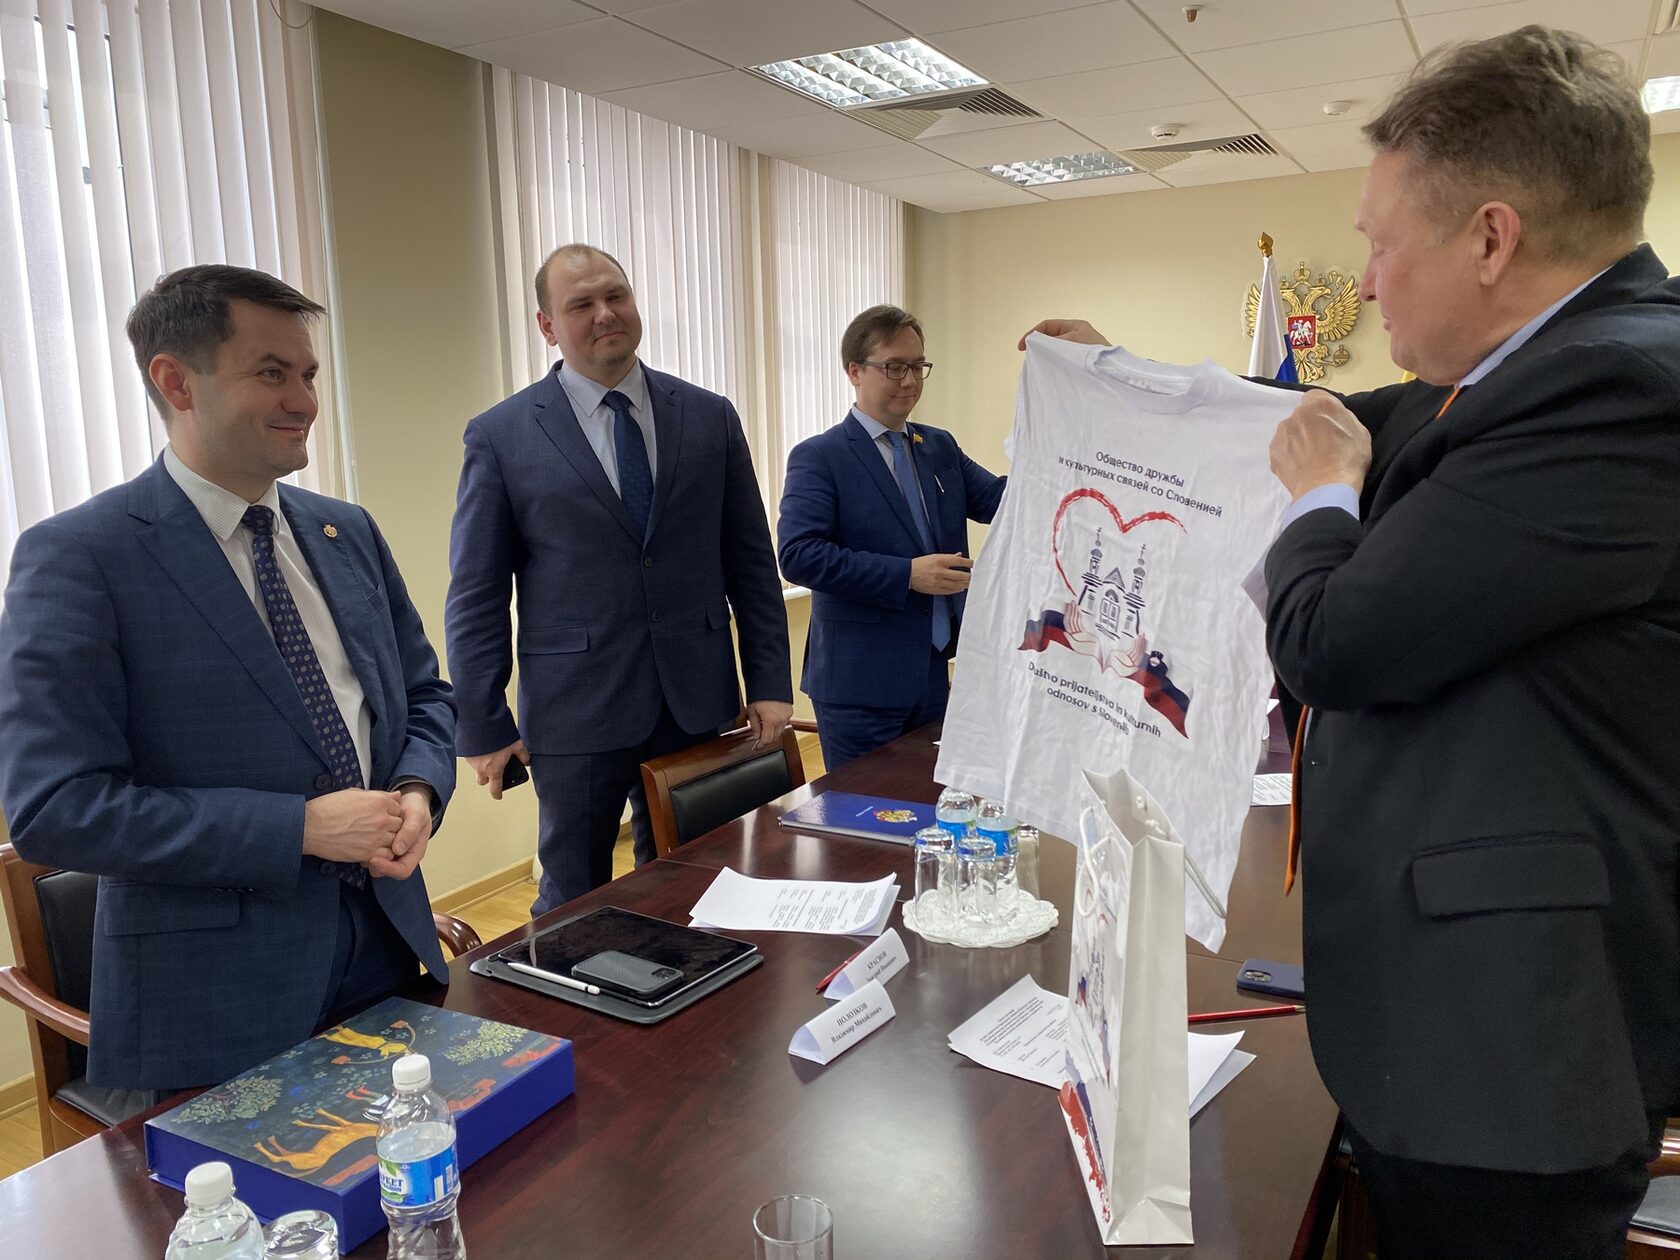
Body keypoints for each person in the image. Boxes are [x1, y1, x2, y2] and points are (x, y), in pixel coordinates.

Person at [1025, 26, 1680, 1258]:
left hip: (1515, 1063)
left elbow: (1332, 640)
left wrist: (1324, 495)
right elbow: (1324, 414)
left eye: (1381, 243)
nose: (1367, 285)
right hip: (1468, 1026)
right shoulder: (1532, 370)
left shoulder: (1618, 391)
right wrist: (1122, 382)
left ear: (1491, 238)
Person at [0, 265, 456, 1098]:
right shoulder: (81, 557)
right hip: (212, 1008)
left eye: (308, 373)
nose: (304, 400)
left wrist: (418, 790)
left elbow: (425, 696)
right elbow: (56, 809)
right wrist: (298, 829)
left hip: (391, 950)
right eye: (272, 373)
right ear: (175, 381)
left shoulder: (346, 531)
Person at [446, 244, 792, 916]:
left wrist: (771, 682)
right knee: (574, 899)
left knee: (705, 882)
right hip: (576, 710)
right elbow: (477, 593)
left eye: (616, 295)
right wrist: (483, 723)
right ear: (548, 325)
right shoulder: (502, 435)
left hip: (698, 698)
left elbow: (751, 560)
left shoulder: (709, 415)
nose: (605, 313)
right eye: (581, 304)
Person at [777, 305, 1005, 770]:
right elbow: (799, 555)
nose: (910, 381)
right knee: (865, 810)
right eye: (895, 367)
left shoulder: (938, 446)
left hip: (932, 674)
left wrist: (1066, 464)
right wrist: (906, 575)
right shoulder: (820, 456)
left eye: (918, 366)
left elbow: (1003, 503)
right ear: (855, 371)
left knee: (929, 804)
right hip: (858, 685)